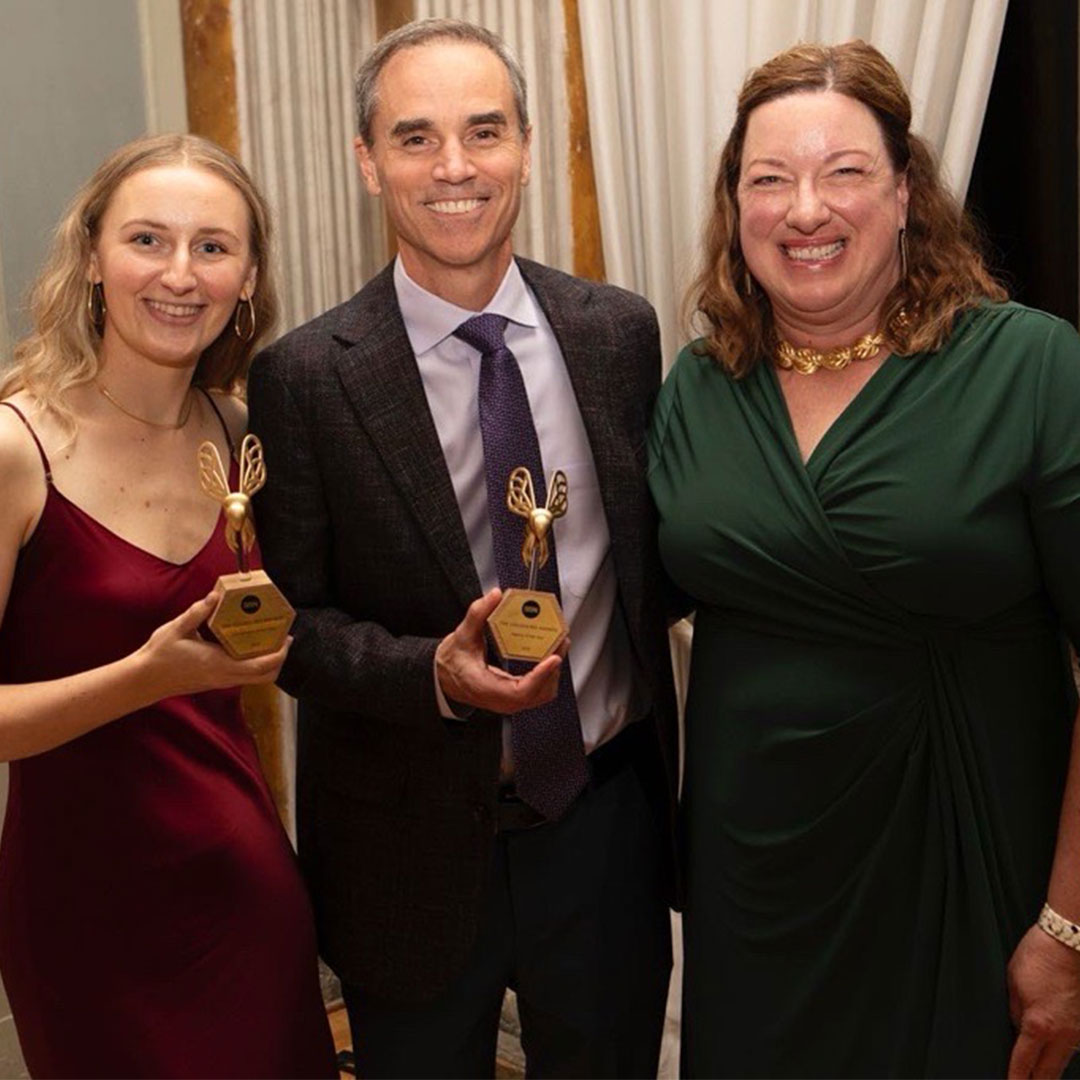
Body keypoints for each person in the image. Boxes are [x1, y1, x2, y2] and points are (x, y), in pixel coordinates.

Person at [247, 17, 679, 1079]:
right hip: (406, 847)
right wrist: (429, 675)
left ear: (527, 146)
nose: (454, 168)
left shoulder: (620, 335)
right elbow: (287, 630)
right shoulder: (306, 377)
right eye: (414, 137)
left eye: (484, 132)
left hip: (604, 824)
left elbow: (657, 561)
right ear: (367, 161)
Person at [648, 38, 1080, 1079]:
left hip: (968, 858)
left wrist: (1069, 930)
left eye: (844, 173)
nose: (806, 209)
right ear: (733, 204)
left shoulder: (1031, 368)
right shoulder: (698, 385)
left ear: (904, 195)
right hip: (754, 882)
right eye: (769, 179)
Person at [0, 134, 337, 1079]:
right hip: (79, 908)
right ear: (94, 260)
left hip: (242, 888)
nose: (180, 275)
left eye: (213, 247)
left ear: (249, 276)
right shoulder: (17, 448)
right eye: (148, 240)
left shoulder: (242, 434)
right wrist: (149, 676)